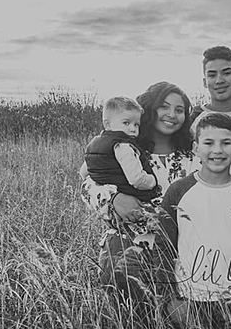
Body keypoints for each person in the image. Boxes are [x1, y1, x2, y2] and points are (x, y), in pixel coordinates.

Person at [80, 81, 197, 302]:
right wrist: (113, 200)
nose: (172, 114)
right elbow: (87, 184)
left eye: (179, 110)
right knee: (130, 316)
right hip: (126, 246)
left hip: (179, 249)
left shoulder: (192, 155)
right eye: (164, 106)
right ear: (149, 109)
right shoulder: (122, 146)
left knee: (175, 314)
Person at [158, 113, 231, 329]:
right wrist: (171, 299)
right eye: (209, 143)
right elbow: (163, 247)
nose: (217, 150)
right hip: (189, 300)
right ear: (196, 148)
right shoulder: (178, 191)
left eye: (226, 143)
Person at [84, 96, 160, 208]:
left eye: (136, 124)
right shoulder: (123, 146)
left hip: (111, 202)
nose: (133, 129)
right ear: (107, 125)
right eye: (126, 123)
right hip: (134, 199)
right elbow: (136, 179)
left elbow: (84, 172)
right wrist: (152, 181)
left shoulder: (94, 144)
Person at [190, 45, 231, 140]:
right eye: (212, 75)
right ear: (205, 82)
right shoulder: (192, 118)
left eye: (226, 73)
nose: (219, 80)